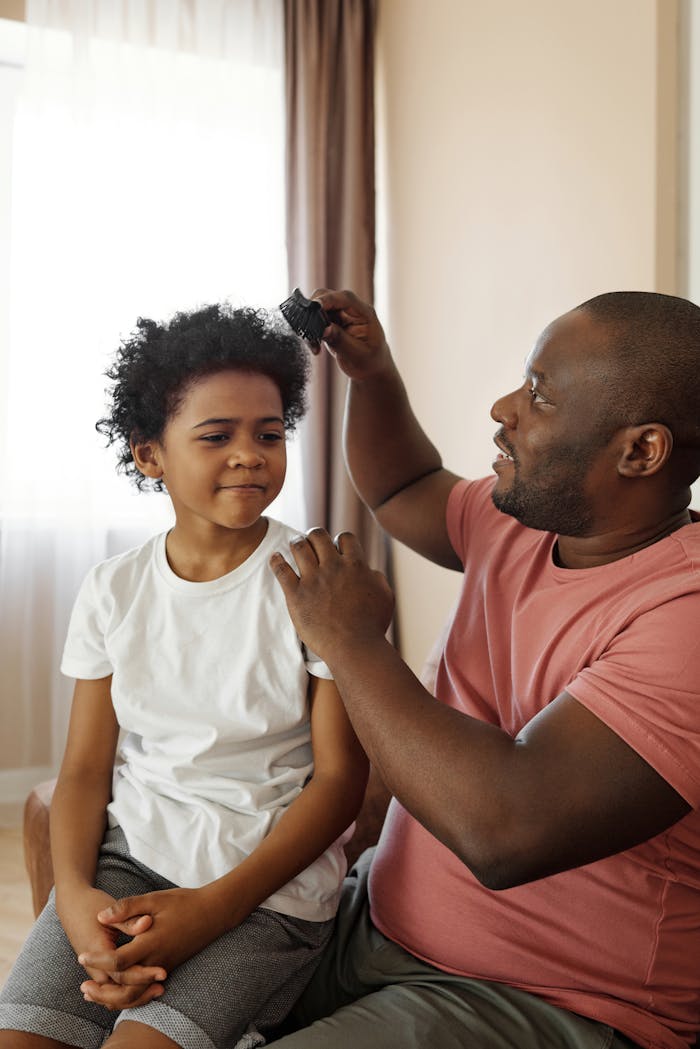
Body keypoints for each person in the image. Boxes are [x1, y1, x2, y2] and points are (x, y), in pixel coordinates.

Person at [265, 289, 700, 1049]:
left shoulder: (683, 615)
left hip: (550, 1000)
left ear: (640, 451)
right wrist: (373, 377)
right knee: (122, 992)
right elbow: (402, 489)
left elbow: (504, 830)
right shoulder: (523, 521)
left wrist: (355, 642)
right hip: (376, 923)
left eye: (538, 393)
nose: (504, 407)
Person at [0, 303, 368, 1049]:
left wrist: (213, 908)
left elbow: (339, 782)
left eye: (270, 434)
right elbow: (82, 769)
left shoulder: (316, 579)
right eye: (216, 435)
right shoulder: (113, 588)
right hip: (130, 861)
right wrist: (74, 896)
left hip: (267, 893)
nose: (250, 454)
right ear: (149, 456)